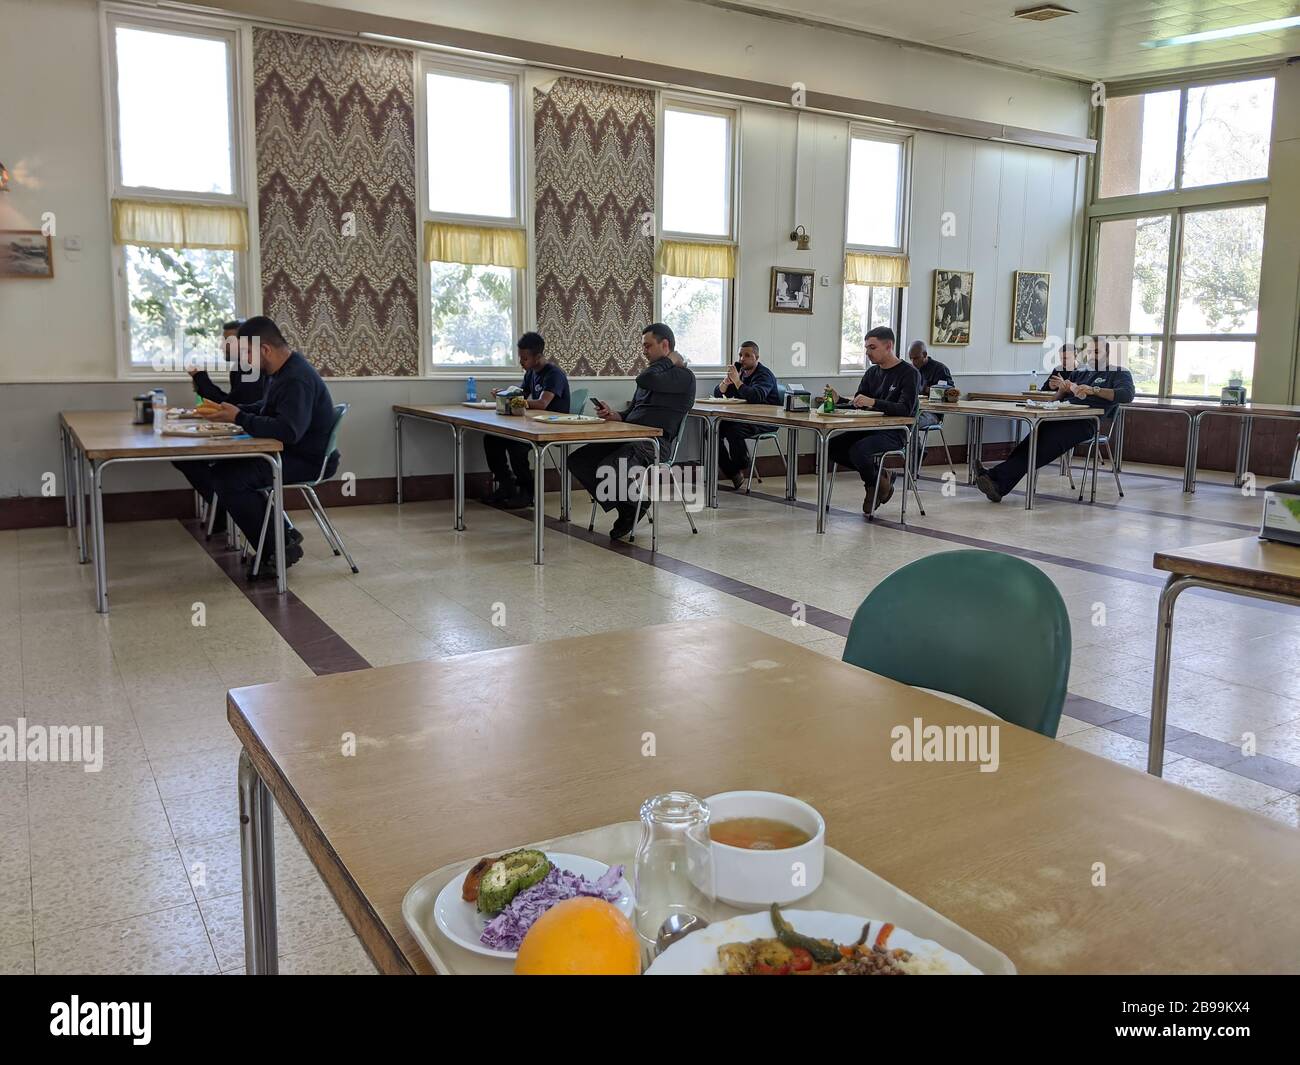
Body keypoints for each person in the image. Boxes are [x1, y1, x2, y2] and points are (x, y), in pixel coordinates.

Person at [187, 316, 339, 577]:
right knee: (225, 472)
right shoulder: (280, 372)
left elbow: (288, 431)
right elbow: (266, 409)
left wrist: (238, 418)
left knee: (230, 480)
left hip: (307, 460)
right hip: (289, 453)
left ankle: (275, 550)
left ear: (265, 350)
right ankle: (282, 538)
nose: (244, 359)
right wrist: (231, 411)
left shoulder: (296, 379)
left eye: (246, 352)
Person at [567, 323, 696, 542]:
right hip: (629, 435)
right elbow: (632, 411)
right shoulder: (650, 375)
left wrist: (670, 359)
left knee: (611, 466)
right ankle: (631, 506)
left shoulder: (683, 376)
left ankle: (632, 505)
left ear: (665, 345)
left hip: (655, 442)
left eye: (648, 346)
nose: (643, 351)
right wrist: (614, 415)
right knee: (579, 460)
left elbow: (646, 378)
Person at [975, 338, 1134, 503]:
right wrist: (1061, 390)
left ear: (1107, 354)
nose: (1091, 356)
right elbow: (1055, 400)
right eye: (1088, 352)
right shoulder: (1081, 373)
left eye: (1096, 352)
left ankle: (994, 478)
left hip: (1085, 422)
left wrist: (1094, 390)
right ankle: (996, 482)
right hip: (1061, 416)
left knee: (1043, 447)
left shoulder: (1120, 373)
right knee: (1030, 441)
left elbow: (1127, 395)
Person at [826, 326, 920, 515]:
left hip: (896, 431)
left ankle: (873, 485)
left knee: (858, 450)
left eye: (872, 347)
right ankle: (879, 478)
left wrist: (874, 402)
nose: (868, 352)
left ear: (888, 346)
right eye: (866, 348)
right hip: (868, 427)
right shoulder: (871, 373)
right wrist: (840, 401)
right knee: (831, 445)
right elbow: (860, 403)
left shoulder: (909, 373)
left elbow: (905, 410)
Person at [484, 332, 570, 509]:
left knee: (517, 445)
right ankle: (507, 485)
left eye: (524, 359)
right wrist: (503, 394)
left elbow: (542, 404)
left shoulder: (554, 374)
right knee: (492, 439)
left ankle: (527, 490)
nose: (521, 363)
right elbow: (520, 394)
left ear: (537, 357)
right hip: (534, 424)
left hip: (552, 427)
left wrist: (518, 401)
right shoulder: (531, 373)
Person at [713, 340, 780, 490]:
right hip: (743, 418)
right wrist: (726, 381)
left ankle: (742, 463)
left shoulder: (764, 375)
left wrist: (737, 382)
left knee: (733, 430)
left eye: (747, 355)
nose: (742, 359)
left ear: (756, 357)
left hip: (764, 420)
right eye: (740, 355)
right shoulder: (741, 374)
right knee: (712, 430)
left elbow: (755, 396)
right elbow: (718, 394)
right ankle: (733, 472)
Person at [188, 319, 266, 406]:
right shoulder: (239, 368)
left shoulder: (254, 370)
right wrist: (199, 379)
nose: (222, 346)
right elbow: (232, 403)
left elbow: (232, 407)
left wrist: (200, 378)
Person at [907, 340, 954, 476]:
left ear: (925, 354)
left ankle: (913, 464)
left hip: (933, 413)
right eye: (911, 358)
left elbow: (950, 392)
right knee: (906, 420)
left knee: (913, 422)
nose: (913, 362)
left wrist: (929, 390)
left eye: (916, 358)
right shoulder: (911, 370)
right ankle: (918, 450)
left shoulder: (940, 369)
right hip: (915, 409)